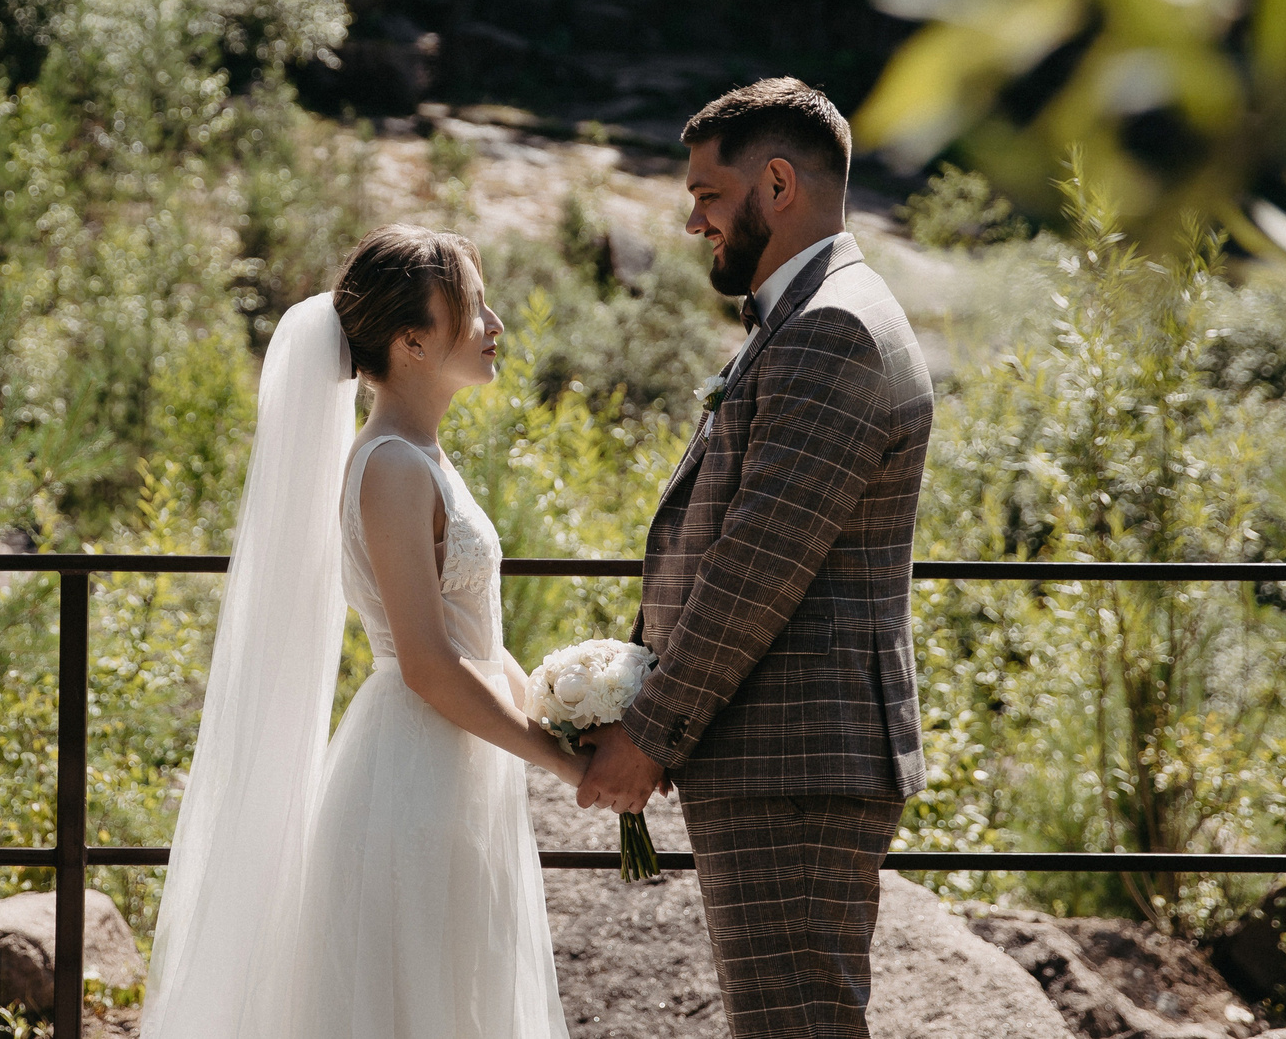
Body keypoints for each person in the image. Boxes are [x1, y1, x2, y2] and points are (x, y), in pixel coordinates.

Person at [142, 224, 575, 1039]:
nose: (496, 325)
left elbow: (474, 639)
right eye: (475, 308)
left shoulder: (421, 454)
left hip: (459, 764)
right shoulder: (391, 467)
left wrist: (561, 714)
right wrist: (554, 758)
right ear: (412, 342)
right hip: (412, 772)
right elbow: (427, 663)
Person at [575, 77, 933, 1039]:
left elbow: (759, 562)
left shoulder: (833, 329)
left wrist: (649, 732)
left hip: (796, 761)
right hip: (786, 754)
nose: (694, 222)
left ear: (777, 184)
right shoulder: (813, 314)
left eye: (706, 194)